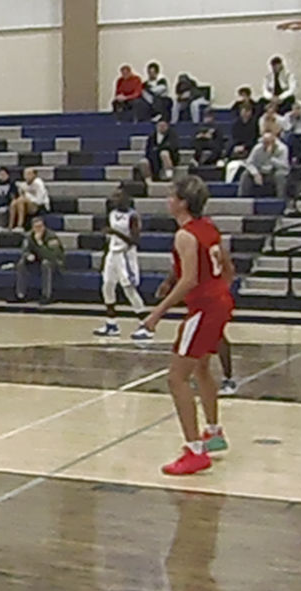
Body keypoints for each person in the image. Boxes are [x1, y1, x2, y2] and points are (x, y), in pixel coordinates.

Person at [141, 175, 234, 477]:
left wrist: (157, 314)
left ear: (182, 202)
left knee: (176, 378)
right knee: (202, 368)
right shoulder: (208, 228)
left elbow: (190, 279)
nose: (167, 200)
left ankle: (194, 451)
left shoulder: (184, 236)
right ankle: (214, 432)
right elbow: (227, 267)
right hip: (220, 301)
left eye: (171, 195)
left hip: (204, 308)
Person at [93, 193, 151, 339]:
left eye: (118, 196)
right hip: (113, 253)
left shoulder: (133, 217)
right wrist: (105, 257)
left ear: (126, 199)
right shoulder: (112, 214)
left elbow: (135, 241)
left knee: (129, 289)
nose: (114, 199)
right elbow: (110, 238)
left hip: (126, 255)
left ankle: (146, 325)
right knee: (107, 286)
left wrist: (115, 233)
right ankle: (111, 324)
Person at [14, 216, 65, 305]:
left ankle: (46, 295)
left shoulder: (51, 237)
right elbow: (24, 250)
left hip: (54, 261)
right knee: (21, 263)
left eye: (40, 226)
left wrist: (39, 243)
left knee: (46, 263)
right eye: (36, 227)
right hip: (37, 259)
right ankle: (20, 294)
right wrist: (27, 255)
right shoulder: (29, 236)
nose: (39, 229)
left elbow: (52, 256)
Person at [238, 133, 289, 200]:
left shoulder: (282, 149)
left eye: (268, 143)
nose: (266, 145)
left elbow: (284, 166)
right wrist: (255, 173)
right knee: (245, 174)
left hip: (273, 172)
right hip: (260, 172)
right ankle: (242, 199)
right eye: (264, 143)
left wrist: (271, 158)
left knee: (280, 175)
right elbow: (249, 163)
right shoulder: (258, 148)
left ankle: (281, 199)